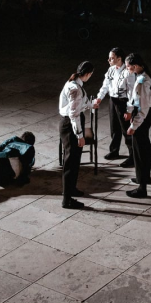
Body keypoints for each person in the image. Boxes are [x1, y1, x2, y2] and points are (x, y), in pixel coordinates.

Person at [58, 60, 94, 209]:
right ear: (87, 74)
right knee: (70, 163)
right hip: (70, 126)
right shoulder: (75, 88)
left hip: (72, 123)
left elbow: (80, 104)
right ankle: (66, 199)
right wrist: (80, 135)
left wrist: (91, 104)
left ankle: (71, 189)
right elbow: (74, 114)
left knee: (75, 160)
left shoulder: (76, 84)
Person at [93, 47, 133, 164]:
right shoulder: (111, 69)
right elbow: (105, 85)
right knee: (114, 127)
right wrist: (99, 97)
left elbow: (131, 91)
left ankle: (132, 155)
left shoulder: (128, 72)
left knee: (126, 128)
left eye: (111, 58)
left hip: (123, 101)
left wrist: (129, 109)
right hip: (113, 100)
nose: (109, 60)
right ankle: (114, 150)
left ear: (119, 59)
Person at [124, 52, 151, 198]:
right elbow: (133, 99)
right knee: (141, 149)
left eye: (128, 67)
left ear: (135, 66)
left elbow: (143, 108)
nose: (127, 69)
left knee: (140, 152)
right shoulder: (142, 75)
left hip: (142, 117)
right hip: (141, 115)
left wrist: (133, 126)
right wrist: (130, 110)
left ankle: (142, 187)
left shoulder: (143, 81)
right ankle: (143, 178)